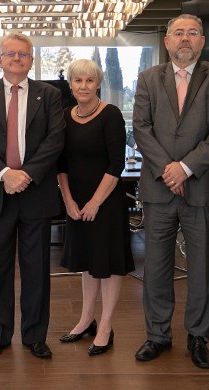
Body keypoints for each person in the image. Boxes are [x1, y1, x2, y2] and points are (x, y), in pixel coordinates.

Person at [132, 14, 209, 369]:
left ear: (202, 41)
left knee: (202, 268)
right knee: (156, 268)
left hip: (201, 187)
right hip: (159, 188)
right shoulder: (148, 78)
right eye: (179, 33)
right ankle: (157, 335)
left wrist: (186, 168)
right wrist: (169, 169)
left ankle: (198, 336)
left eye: (192, 33)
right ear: (167, 41)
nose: (185, 39)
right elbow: (141, 128)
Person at [0, 32, 65, 360]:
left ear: (32, 60)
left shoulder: (49, 94)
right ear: (0, 59)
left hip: (35, 192)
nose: (17, 59)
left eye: (23, 54)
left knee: (37, 269)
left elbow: (55, 139)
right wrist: (4, 174)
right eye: (11, 54)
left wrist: (26, 174)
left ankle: (36, 336)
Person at [56, 59, 134, 356]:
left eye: (90, 81)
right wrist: (69, 201)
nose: (84, 86)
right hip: (76, 203)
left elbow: (117, 165)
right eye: (78, 81)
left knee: (108, 265)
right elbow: (60, 164)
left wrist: (94, 202)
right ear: (71, 85)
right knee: (87, 262)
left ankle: (106, 326)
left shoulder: (111, 115)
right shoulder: (65, 116)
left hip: (106, 202)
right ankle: (86, 319)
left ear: (98, 83)